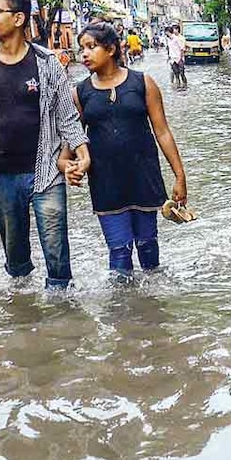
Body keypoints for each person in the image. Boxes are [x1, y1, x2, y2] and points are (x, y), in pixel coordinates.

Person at [0, 0, 90, 291]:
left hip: (46, 172)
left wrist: (83, 154)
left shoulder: (47, 64)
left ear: (18, 19)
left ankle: (63, 318)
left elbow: (68, 118)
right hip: (1, 176)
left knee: (57, 255)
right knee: (16, 262)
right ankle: (23, 314)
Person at [60, 22, 187, 277]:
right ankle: (124, 312)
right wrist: (69, 168)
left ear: (111, 49)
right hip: (106, 184)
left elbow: (162, 131)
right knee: (119, 252)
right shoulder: (80, 93)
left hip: (144, 178)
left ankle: (152, 309)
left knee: (148, 246)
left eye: (91, 47)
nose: (84, 54)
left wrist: (180, 176)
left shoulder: (143, 83)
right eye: (81, 48)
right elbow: (68, 150)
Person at [166, 24, 187, 89]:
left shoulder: (178, 39)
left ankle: (185, 84)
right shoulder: (168, 40)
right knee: (176, 73)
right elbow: (169, 49)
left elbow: (182, 48)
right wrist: (169, 57)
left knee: (182, 73)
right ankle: (177, 85)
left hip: (178, 58)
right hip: (172, 58)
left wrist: (181, 58)